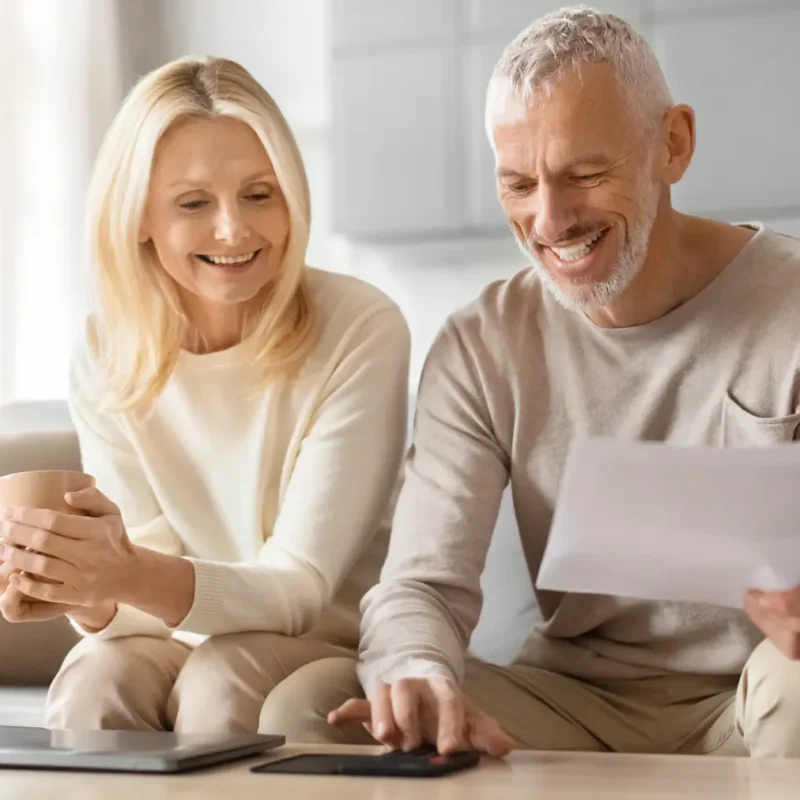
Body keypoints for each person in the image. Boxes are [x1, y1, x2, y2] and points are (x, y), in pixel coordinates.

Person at [324, 7, 800, 757]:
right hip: (572, 698)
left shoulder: (791, 308)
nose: (550, 219)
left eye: (584, 174)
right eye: (518, 184)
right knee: (315, 707)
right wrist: (417, 669)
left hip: (758, 690)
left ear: (672, 145)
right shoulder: (483, 346)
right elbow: (421, 586)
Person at [0, 55, 410, 739]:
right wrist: (86, 588)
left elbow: (300, 588)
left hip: (327, 640)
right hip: (178, 636)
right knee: (93, 677)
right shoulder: (106, 353)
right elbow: (136, 594)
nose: (234, 230)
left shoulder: (361, 327)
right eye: (193, 203)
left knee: (222, 681)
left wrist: (121, 575)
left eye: (260, 194)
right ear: (138, 218)